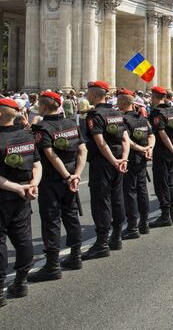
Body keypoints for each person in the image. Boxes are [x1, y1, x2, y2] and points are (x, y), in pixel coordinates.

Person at [27, 91, 86, 282]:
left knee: (51, 220)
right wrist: (76, 174)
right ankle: (76, 256)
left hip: (53, 180)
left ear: (43, 108)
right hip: (71, 177)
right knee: (71, 216)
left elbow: (51, 156)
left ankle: (52, 265)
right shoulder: (71, 123)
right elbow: (82, 150)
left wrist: (68, 176)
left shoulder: (41, 127)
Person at [0, 97, 41, 305]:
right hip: (23, 196)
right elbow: (37, 164)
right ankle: (21, 280)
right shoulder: (26, 136)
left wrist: (18, 187)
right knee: (23, 238)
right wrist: (33, 184)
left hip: (6, 194)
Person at [81, 80, 129, 260]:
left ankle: (101, 243)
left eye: (88, 93)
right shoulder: (116, 113)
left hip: (103, 163)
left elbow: (100, 142)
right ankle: (116, 237)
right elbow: (125, 139)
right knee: (117, 198)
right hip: (118, 161)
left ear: (93, 95)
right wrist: (123, 159)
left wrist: (114, 161)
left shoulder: (94, 116)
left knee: (101, 201)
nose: (86, 96)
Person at [119, 89, 154, 238]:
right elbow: (151, 136)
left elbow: (127, 141)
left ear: (123, 102)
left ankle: (133, 226)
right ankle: (144, 223)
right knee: (142, 190)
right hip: (142, 157)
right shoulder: (142, 119)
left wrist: (142, 149)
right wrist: (149, 148)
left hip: (133, 157)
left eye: (119, 100)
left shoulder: (123, 120)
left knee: (130, 192)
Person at [148, 86, 173, 228]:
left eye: (152, 97)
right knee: (171, 182)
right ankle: (172, 213)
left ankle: (165, 215)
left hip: (163, 150)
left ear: (155, 97)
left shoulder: (157, 113)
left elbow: (162, 133)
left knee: (162, 184)